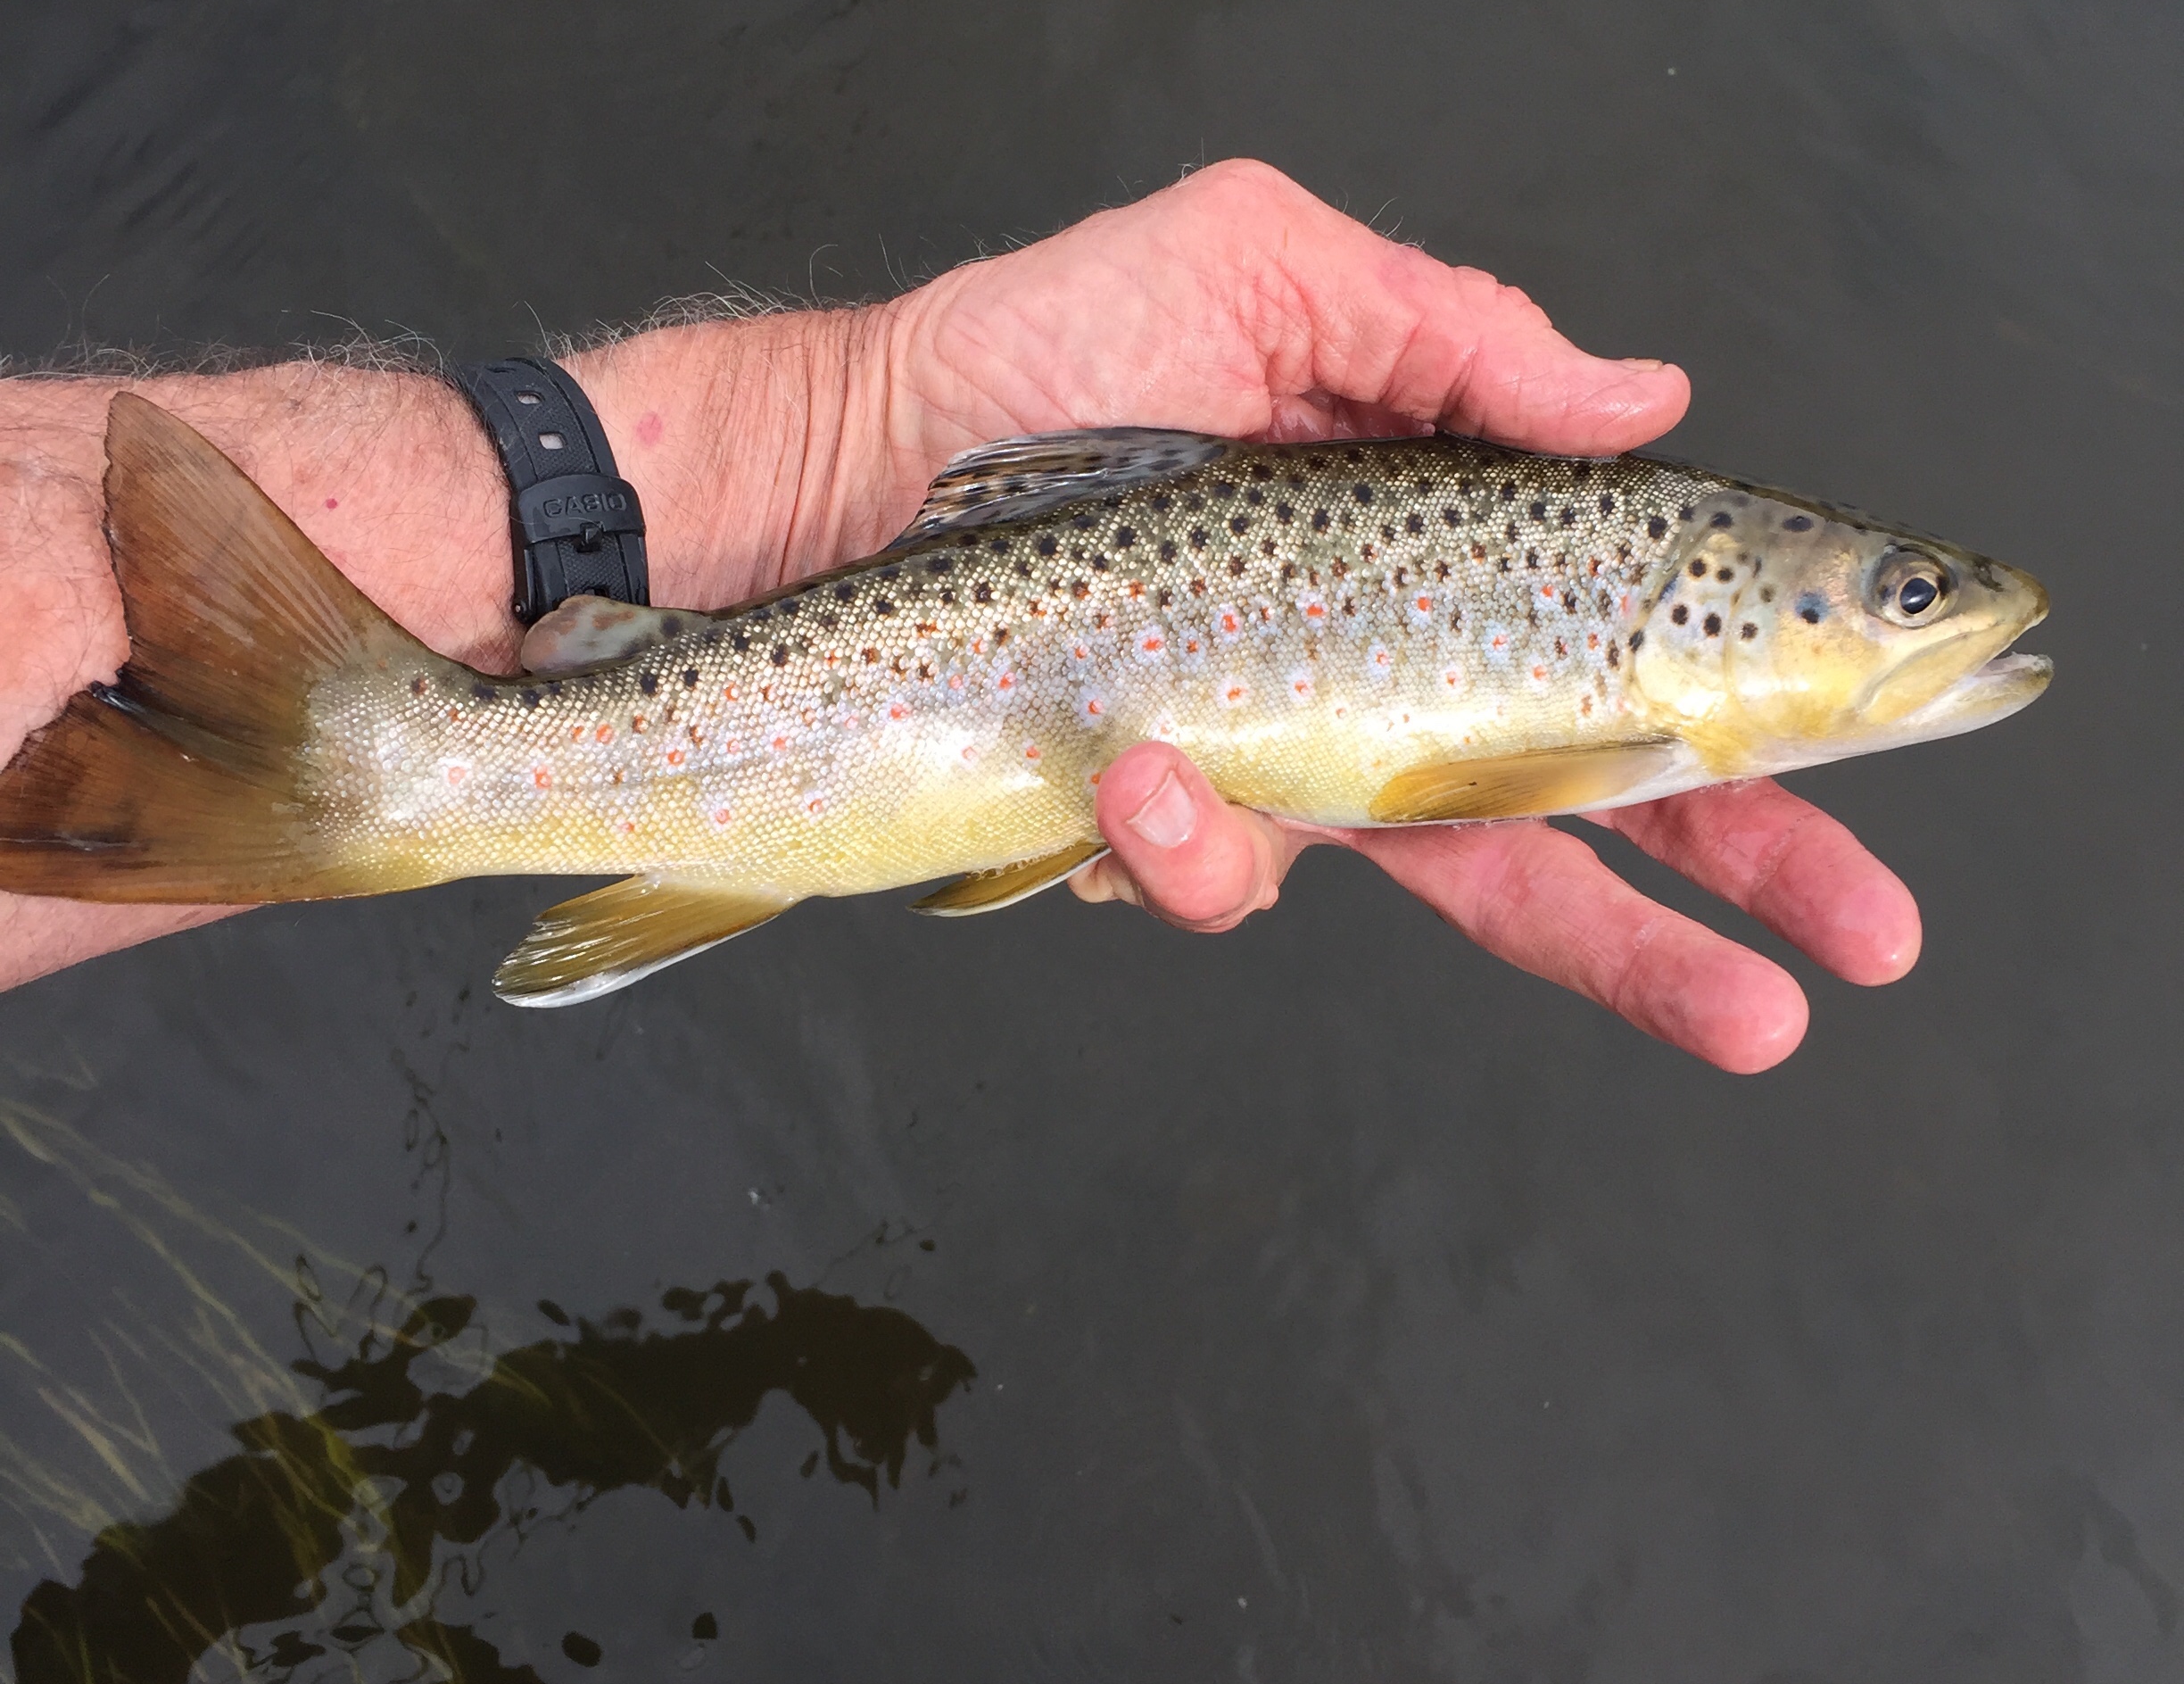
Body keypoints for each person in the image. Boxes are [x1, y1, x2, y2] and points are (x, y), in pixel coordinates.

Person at [0, 160, 1915, 1066]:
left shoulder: (1640, 695)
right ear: (1718, 607)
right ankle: (387, 770)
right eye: (1894, 603)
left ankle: (383, 764)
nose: (1923, 629)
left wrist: (783, 439)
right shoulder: (1613, 726)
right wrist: (819, 441)